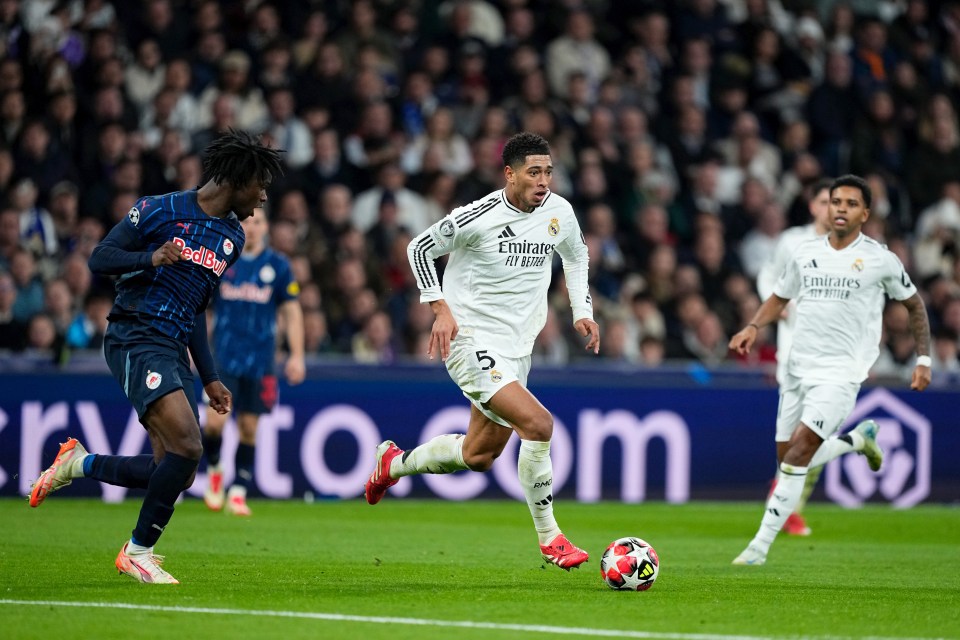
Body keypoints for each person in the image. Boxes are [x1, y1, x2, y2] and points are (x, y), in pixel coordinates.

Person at [28, 130, 284, 584]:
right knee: (190, 446)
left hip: (174, 348)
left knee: (175, 471)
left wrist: (210, 376)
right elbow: (100, 258)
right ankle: (137, 551)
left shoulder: (232, 237)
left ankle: (77, 463)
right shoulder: (159, 209)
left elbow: (197, 307)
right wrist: (151, 258)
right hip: (135, 335)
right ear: (238, 179)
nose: (263, 197)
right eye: (259, 185)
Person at [364, 132, 601, 570]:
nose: (543, 181)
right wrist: (440, 309)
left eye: (548, 171)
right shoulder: (479, 216)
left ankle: (392, 463)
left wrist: (580, 310)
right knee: (538, 423)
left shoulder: (559, 212)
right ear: (509, 174)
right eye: (533, 172)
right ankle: (552, 538)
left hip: (517, 348)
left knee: (478, 456)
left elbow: (576, 255)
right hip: (469, 339)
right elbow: (419, 248)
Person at [729, 174, 931, 566]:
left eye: (851, 203)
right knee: (787, 454)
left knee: (797, 456)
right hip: (797, 366)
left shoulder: (880, 259)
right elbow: (779, 296)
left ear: (865, 213)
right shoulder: (805, 253)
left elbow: (915, 306)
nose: (840, 208)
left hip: (841, 372)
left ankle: (758, 548)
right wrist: (754, 326)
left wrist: (923, 359)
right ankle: (858, 441)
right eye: (835, 201)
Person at [202, 206, 305, 516]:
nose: (252, 226)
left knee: (248, 427)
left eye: (257, 221)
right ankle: (216, 469)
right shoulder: (221, 261)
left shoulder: (278, 265)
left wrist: (297, 355)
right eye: (246, 220)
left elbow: (292, 311)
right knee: (214, 423)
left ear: (266, 226)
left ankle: (238, 490)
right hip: (223, 358)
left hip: (260, 362)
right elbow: (203, 308)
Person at [754, 177, 831, 537]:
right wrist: (776, 302)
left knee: (820, 433)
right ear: (813, 205)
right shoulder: (792, 241)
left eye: (841, 203)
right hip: (797, 353)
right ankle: (786, 505)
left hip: (836, 356)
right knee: (804, 431)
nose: (834, 209)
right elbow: (767, 275)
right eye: (826, 202)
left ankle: (785, 502)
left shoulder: (854, 250)